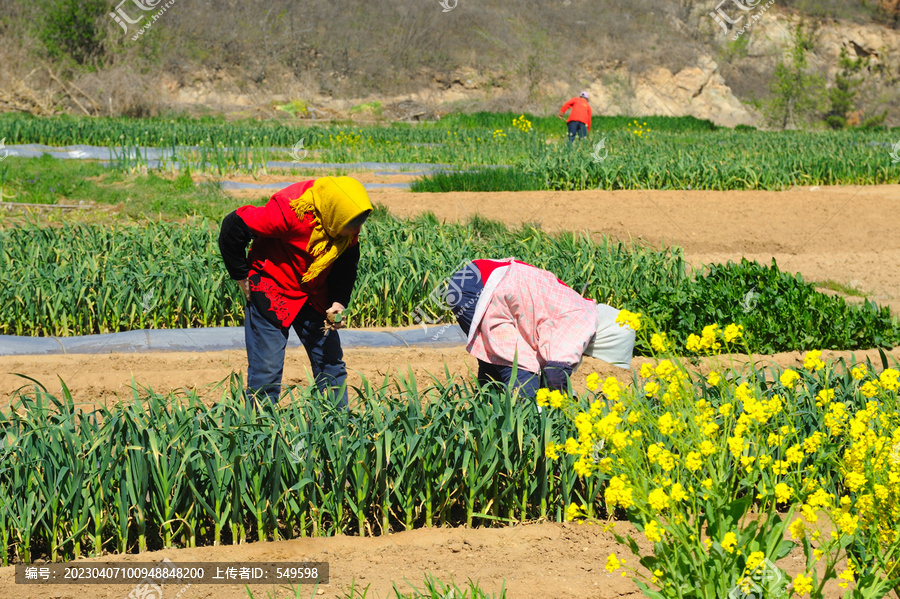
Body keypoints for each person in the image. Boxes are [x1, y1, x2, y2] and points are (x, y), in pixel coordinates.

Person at [218, 176, 373, 408]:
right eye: (350, 227)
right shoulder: (289, 212)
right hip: (273, 289)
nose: (355, 232)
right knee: (267, 371)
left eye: (358, 227)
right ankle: (260, 434)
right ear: (333, 215)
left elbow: (345, 265)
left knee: (331, 364)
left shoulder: (344, 218)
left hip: (314, 294)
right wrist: (241, 275)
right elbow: (234, 225)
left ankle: (336, 430)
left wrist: (338, 302)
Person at [444, 258, 635, 397]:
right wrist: (562, 405)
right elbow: (554, 373)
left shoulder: (579, 306)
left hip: (474, 275)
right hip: (481, 288)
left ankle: (486, 408)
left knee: (497, 360)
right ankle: (527, 430)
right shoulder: (582, 322)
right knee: (522, 371)